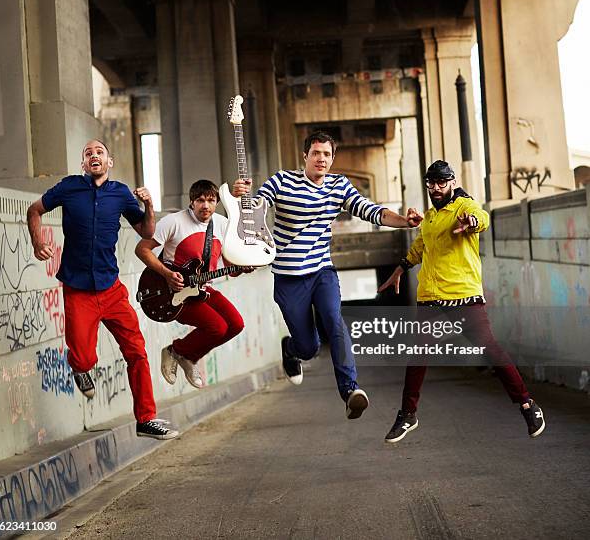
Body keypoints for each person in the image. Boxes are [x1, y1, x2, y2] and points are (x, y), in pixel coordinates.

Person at [232, 131, 423, 419]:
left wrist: (404, 223)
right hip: (288, 276)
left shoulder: (339, 185)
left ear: (332, 159)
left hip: (322, 270)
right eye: (316, 153)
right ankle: (291, 348)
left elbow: (370, 211)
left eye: (327, 154)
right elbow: (256, 210)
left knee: (335, 321)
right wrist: (241, 198)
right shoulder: (281, 181)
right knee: (308, 348)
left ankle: (350, 390)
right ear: (305, 156)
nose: (321, 159)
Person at [379, 160, 546, 442]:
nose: (435, 188)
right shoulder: (431, 217)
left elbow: (482, 218)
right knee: (417, 356)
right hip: (431, 298)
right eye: (431, 183)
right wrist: (399, 269)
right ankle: (408, 415)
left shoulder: (464, 207)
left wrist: (471, 223)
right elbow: (421, 246)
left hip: (463, 296)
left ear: (452, 182)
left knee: (492, 351)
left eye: (441, 183)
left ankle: (529, 405)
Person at [27, 139, 177, 440]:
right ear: (83, 164)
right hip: (78, 290)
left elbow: (147, 233)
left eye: (99, 152)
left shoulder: (121, 193)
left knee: (137, 352)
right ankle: (80, 368)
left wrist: (149, 204)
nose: (94, 156)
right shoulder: (69, 188)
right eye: (88, 153)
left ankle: (146, 418)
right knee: (83, 358)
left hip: (111, 289)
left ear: (110, 162)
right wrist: (37, 240)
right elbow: (34, 210)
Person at [135, 180, 251, 388]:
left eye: (211, 200)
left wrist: (242, 268)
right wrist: (167, 273)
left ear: (217, 202)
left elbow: (230, 270)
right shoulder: (174, 222)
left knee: (236, 325)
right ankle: (177, 351)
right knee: (217, 327)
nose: (205, 206)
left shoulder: (222, 224)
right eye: (200, 200)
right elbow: (142, 249)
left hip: (202, 289)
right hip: (173, 292)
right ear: (191, 202)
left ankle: (187, 357)